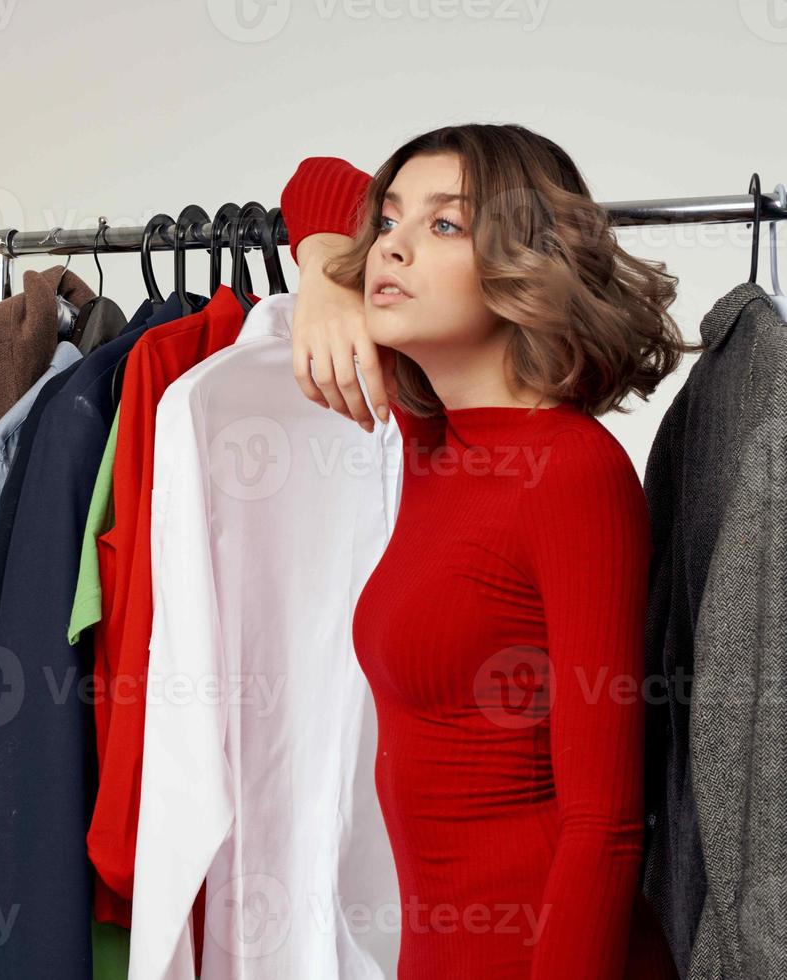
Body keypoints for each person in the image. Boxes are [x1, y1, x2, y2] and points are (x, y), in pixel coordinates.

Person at [283, 125, 698, 977]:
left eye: (445, 226)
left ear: (523, 261)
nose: (390, 245)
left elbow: (606, 828)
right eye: (389, 221)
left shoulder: (570, 470)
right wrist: (325, 281)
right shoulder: (439, 436)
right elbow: (313, 180)